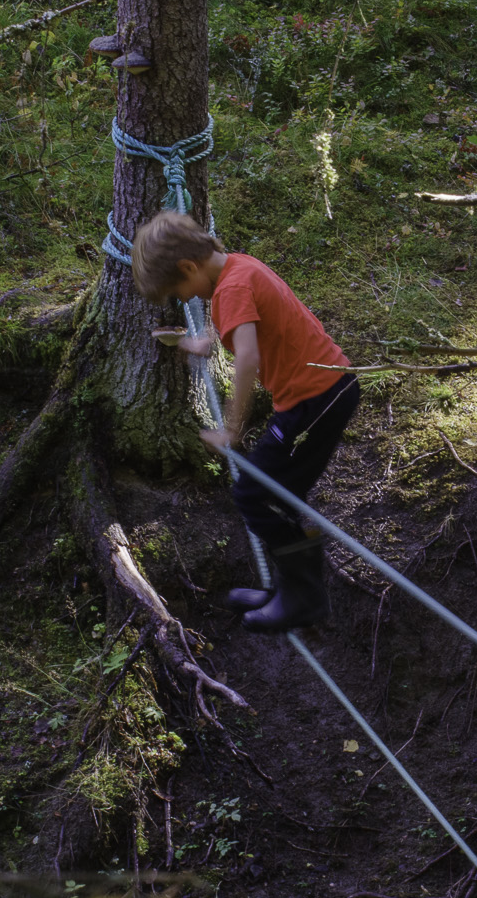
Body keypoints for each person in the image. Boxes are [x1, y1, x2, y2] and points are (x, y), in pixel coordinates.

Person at [131, 211, 360, 633]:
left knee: (255, 494)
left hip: (316, 400)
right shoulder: (239, 267)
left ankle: (305, 599)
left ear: (188, 267)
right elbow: (251, 328)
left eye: (180, 293)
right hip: (325, 392)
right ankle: (288, 590)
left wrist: (231, 429)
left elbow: (249, 358)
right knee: (275, 496)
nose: (186, 300)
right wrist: (201, 345)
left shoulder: (231, 288)